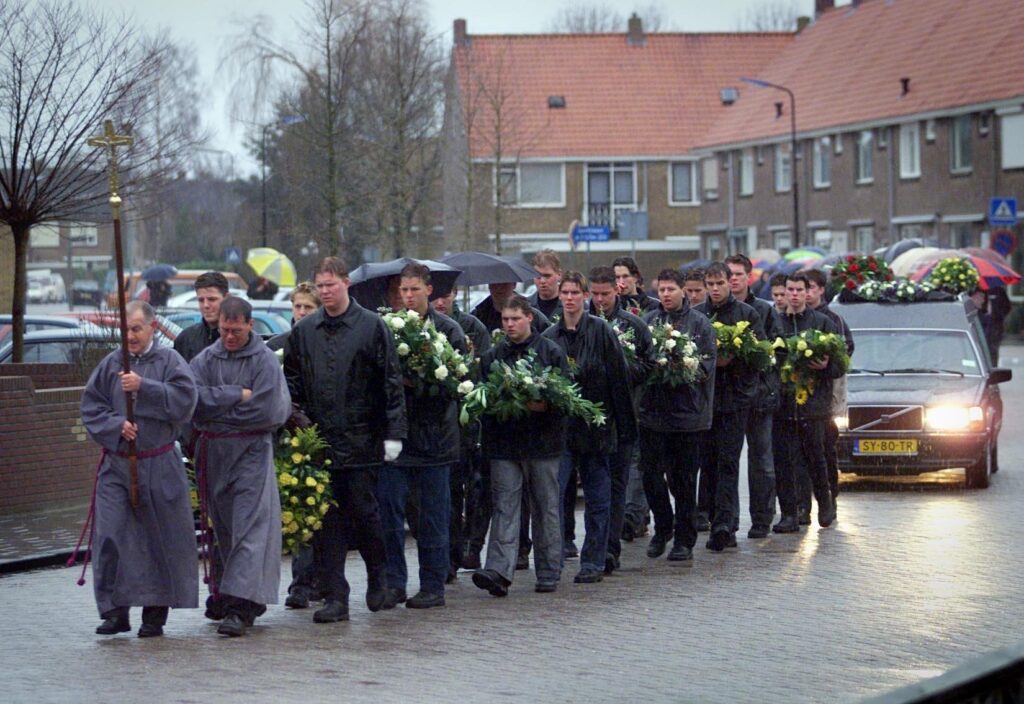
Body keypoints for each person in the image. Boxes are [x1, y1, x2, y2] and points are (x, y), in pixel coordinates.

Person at [283, 257, 406, 624]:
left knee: (365, 513)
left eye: (330, 285)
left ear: (346, 284)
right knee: (327, 522)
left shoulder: (371, 326)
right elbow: (291, 382)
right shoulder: (305, 332)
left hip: (363, 439)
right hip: (319, 440)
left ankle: (377, 577)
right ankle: (336, 595)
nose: (325, 292)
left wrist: (394, 433)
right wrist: (298, 421)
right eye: (319, 286)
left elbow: (390, 382)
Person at [80, 301, 199, 638]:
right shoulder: (111, 364)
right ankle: (114, 611)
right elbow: (92, 406)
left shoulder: (170, 362)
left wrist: (144, 387)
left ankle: (154, 614)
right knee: (110, 535)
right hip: (117, 466)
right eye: (125, 329)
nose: (130, 335)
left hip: (159, 463)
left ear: (152, 328)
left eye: (136, 328)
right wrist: (116, 424)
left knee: (158, 539)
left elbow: (185, 402)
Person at [190, 296, 291, 637]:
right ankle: (230, 594)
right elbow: (192, 400)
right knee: (225, 530)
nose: (229, 337)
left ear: (250, 325)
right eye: (224, 330)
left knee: (249, 528)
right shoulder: (205, 359)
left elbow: (270, 410)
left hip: (251, 453)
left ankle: (239, 606)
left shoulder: (264, 362)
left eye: (236, 330)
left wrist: (218, 410)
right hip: (215, 454)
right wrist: (235, 395)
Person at [376, 263, 467, 610]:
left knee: (433, 518)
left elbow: (457, 384)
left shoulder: (449, 330)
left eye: (414, 290)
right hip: (396, 438)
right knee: (390, 516)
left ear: (429, 290)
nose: (408, 296)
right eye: (403, 290)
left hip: (435, 439)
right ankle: (394, 583)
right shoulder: (387, 328)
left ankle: (433, 584)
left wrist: (419, 383)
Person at [472, 295, 570, 596]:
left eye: (515, 319)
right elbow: (483, 400)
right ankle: (499, 571)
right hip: (505, 445)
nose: (510, 325)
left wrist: (545, 406)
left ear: (530, 318)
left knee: (546, 507)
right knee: (505, 507)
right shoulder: (492, 357)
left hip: (543, 445)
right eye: (505, 320)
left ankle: (549, 570)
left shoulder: (550, 352)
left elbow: (564, 399)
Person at [542, 272, 635, 583]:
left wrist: (624, 430)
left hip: (597, 429)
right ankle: (551, 562)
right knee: (553, 498)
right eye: (564, 292)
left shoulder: (601, 331)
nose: (569, 298)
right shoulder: (549, 337)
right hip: (561, 432)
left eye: (574, 292)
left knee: (598, 498)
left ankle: (594, 559)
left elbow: (618, 381)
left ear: (584, 296)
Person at [638, 269, 716, 563]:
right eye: (662, 290)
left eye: (671, 289)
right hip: (652, 413)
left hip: (687, 416)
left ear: (684, 290)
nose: (666, 295)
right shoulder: (647, 322)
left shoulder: (700, 324)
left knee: (684, 481)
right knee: (650, 476)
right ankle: (663, 525)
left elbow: (706, 367)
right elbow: (638, 362)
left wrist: (681, 366)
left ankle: (684, 540)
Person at [586, 266, 653, 573]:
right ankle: (593, 546)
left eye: (606, 294)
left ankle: (610, 548)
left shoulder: (634, 325)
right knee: (594, 489)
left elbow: (648, 368)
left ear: (617, 290)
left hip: (622, 416)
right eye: (595, 294)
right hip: (588, 420)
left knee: (617, 484)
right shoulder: (579, 325)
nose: (600, 300)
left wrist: (619, 366)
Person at [696, 263, 764, 550]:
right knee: (707, 463)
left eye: (719, 283)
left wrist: (733, 360)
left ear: (730, 282)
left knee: (728, 462)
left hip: (735, 401)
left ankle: (724, 523)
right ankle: (710, 517)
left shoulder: (747, 314)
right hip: (705, 403)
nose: (715, 288)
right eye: (710, 283)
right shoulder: (698, 315)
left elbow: (760, 357)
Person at [266, 281, 323, 609]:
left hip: (317, 435)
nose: (300, 313)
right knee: (297, 508)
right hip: (286, 437)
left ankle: (322, 578)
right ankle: (300, 582)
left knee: (320, 510)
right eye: (297, 307)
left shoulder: (321, 343)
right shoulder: (276, 346)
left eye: (308, 308)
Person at [771, 273, 841, 534]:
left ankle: (825, 503)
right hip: (783, 404)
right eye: (790, 290)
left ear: (808, 291)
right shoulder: (775, 322)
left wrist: (825, 366)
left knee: (816, 457)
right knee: (785, 461)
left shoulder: (822, 322)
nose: (795, 294)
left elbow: (839, 364)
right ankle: (790, 513)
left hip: (814, 405)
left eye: (800, 289)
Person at [432, 288, 493, 573]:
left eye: (445, 295)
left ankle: (470, 546)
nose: (440, 301)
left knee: (473, 488)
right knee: (448, 492)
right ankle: (451, 554)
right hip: (437, 425)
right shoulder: (416, 327)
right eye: (437, 298)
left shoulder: (471, 327)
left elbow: (480, 373)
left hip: (468, 421)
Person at [725, 254, 779, 538]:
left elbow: (774, 352)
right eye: (729, 274)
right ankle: (728, 521)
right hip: (728, 398)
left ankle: (761, 517)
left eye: (737, 274)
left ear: (749, 277)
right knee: (727, 460)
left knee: (761, 460)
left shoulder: (764, 311)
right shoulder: (716, 310)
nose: (733, 279)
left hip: (758, 397)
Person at [807, 269, 854, 518]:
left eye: (811, 287)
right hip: (799, 398)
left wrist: (828, 366)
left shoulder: (833, 320)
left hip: (826, 398)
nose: (806, 293)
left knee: (825, 449)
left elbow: (844, 354)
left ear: (821, 290)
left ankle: (830, 497)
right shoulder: (795, 317)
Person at [174, 271, 229, 363]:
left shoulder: (240, 338)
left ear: (226, 298)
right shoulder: (186, 339)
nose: (205, 305)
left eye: (212, 299)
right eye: (201, 300)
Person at [471, 281, 551, 337]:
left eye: (504, 283)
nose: (499, 287)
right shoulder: (477, 317)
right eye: (494, 283)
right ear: (489, 285)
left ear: (514, 284)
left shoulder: (534, 317)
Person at [267, 282, 321, 352]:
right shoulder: (276, 345)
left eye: (308, 307)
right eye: (298, 306)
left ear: (320, 310)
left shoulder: (330, 343)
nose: (302, 312)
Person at [528, 249, 564, 322]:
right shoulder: (525, 306)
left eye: (547, 276)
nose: (542, 281)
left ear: (559, 274)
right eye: (538, 276)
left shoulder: (570, 304)